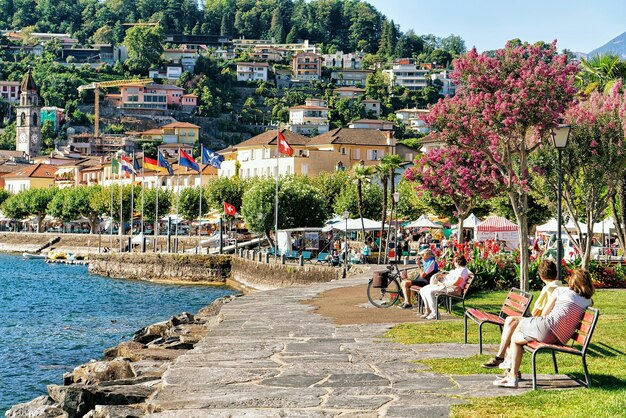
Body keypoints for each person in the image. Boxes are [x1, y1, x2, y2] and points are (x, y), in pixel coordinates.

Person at [492, 268, 595, 388]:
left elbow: (545, 313)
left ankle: (510, 368)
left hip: (547, 328)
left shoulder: (560, 291)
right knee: (516, 334)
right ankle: (509, 370)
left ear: (572, 281)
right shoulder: (588, 301)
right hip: (561, 338)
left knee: (515, 325)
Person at [481, 260, 561, 372]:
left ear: (541, 276)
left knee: (512, 323)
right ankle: (504, 360)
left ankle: (503, 360)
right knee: (511, 322)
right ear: (555, 273)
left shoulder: (548, 288)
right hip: (552, 327)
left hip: (543, 326)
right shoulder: (561, 286)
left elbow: (536, 312)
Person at [419, 255, 469, 319]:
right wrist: (442, 276)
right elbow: (451, 278)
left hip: (452, 289)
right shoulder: (457, 269)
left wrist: (443, 284)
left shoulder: (463, 270)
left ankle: (435, 313)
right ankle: (428, 310)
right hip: (446, 286)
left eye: (454, 261)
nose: (454, 263)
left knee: (430, 292)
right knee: (423, 289)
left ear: (458, 262)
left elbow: (457, 283)